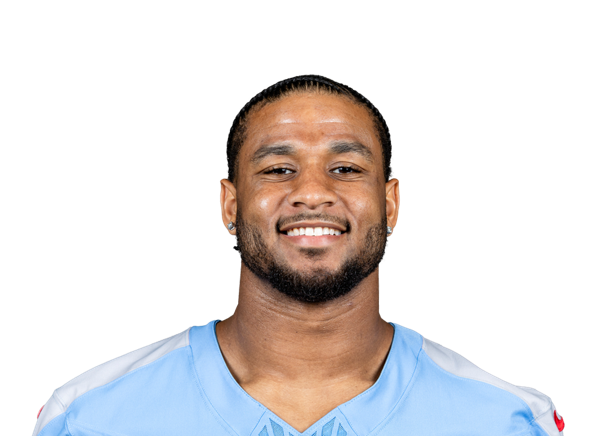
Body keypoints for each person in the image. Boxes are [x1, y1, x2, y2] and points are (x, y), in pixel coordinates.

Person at [32, 74, 564, 435]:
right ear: (230, 204)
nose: (312, 192)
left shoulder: (507, 421)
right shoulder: (89, 417)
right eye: (278, 169)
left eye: (347, 168)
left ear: (391, 204)